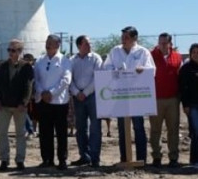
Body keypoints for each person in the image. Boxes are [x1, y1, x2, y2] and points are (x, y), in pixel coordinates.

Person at [102, 26, 153, 165]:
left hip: (137, 95)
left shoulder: (143, 52)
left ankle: (142, 159)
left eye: (127, 37)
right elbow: (106, 67)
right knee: (122, 127)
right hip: (120, 95)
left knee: (138, 126)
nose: (123, 40)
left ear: (134, 38)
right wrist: (116, 70)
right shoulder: (115, 51)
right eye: (122, 37)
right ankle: (124, 158)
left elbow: (152, 70)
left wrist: (143, 69)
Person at [0, 39, 34, 171]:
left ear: (20, 51)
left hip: (19, 106)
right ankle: (4, 159)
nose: (10, 52)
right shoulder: (1, 66)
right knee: (2, 133)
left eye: (13, 50)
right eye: (9, 50)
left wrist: (24, 102)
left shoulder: (26, 67)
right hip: (4, 105)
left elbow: (29, 86)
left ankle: (20, 160)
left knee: (20, 134)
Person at [33, 34, 72, 170]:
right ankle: (47, 159)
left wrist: (52, 93)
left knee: (61, 133)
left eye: (50, 42)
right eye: (47, 42)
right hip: (43, 102)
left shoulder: (64, 60)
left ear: (57, 45)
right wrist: (42, 92)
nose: (47, 44)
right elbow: (36, 79)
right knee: (44, 132)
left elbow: (66, 80)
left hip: (59, 103)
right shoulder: (39, 61)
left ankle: (62, 159)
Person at [69, 35, 103, 167]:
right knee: (80, 128)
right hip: (77, 97)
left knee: (95, 127)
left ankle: (95, 158)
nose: (90, 46)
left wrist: (86, 92)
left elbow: (98, 77)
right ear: (79, 46)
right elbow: (69, 78)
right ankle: (84, 155)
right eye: (87, 44)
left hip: (93, 95)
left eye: (90, 43)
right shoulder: (72, 60)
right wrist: (77, 92)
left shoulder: (96, 58)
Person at [149, 32, 183, 167]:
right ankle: (156, 157)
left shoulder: (178, 57)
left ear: (170, 44)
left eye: (165, 43)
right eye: (160, 42)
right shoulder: (150, 56)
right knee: (155, 130)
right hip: (156, 99)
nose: (162, 45)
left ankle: (173, 157)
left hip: (173, 99)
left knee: (173, 129)